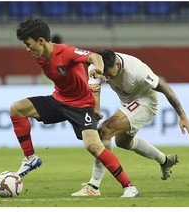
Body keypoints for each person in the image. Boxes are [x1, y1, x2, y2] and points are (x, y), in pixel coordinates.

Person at [11, 18, 139, 198]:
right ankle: (30, 158)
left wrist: (99, 69)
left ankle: (129, 187)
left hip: (81, 106)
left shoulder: (66, 52)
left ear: (41, 41)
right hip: (58, 101)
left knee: (94, 146)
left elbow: (96, 57)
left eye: (28, 44)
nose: (27, 48)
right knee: (17, 109)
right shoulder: (40, 57)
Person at [71, 49, 189, 196]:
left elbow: (165, 88)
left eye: (109, 74)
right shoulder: (96, 67)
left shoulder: (136, 70)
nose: (107, 77)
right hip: (128, 103)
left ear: (117, 64)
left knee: (105, 131)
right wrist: (94, 114)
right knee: (123, 142)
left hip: (146, 101)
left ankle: (93, 186)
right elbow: (95, 93)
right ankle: (165, 160)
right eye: (104, 74)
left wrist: (182, 116)